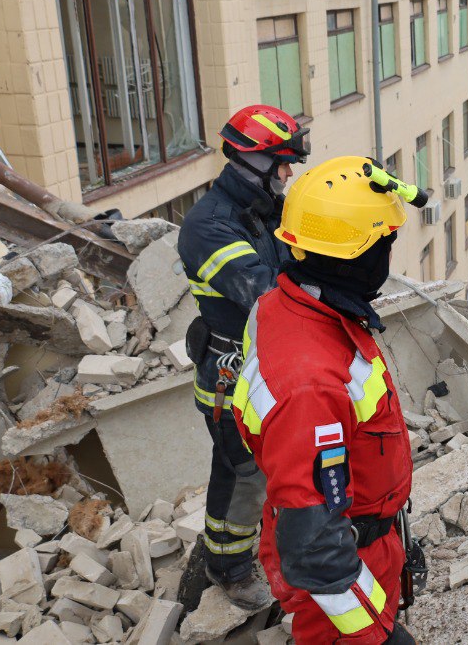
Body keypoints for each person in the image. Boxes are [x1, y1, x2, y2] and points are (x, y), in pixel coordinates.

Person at [231, 156, 426, 645]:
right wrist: (377, 634)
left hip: (362, 535)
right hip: (341, 571)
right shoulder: (311, 384)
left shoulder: (291, 302)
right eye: (386, 243)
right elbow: (316, 550)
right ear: (359, 254)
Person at [177, 104, 309, 608]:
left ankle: (282, 548)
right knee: (242, 472)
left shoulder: (267, 208)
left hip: (272, 363)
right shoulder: (208, 226)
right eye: (282, 163)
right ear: (252, 163)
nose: (288, 173)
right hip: (229, 376)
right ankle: (227, 564)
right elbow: (265, 295)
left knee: (281, 465)